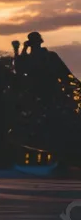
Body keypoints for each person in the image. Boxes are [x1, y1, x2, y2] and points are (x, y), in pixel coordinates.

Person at [11, 33, 81, 165]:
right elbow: (19, 70)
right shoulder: (37, 57)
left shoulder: (48, 57)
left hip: (46, 95)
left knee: (50, 126)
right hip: (38, 96)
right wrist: (19, 50)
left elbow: (64, 74)